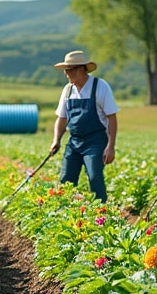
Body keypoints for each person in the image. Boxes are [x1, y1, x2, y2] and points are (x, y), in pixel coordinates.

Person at [49, 50, 118, 202]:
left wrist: (110, 146)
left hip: (95, 142)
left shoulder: (100, 86)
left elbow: (112, 117)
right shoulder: (68, 90)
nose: (66, 73)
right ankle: (64, 210)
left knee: (94, 177)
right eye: (65, 70)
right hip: (74, 142)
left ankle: (101, 210)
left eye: (69, 70)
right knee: (66, 180)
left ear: (80, 69)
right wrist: (56, 140)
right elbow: (62, 118)